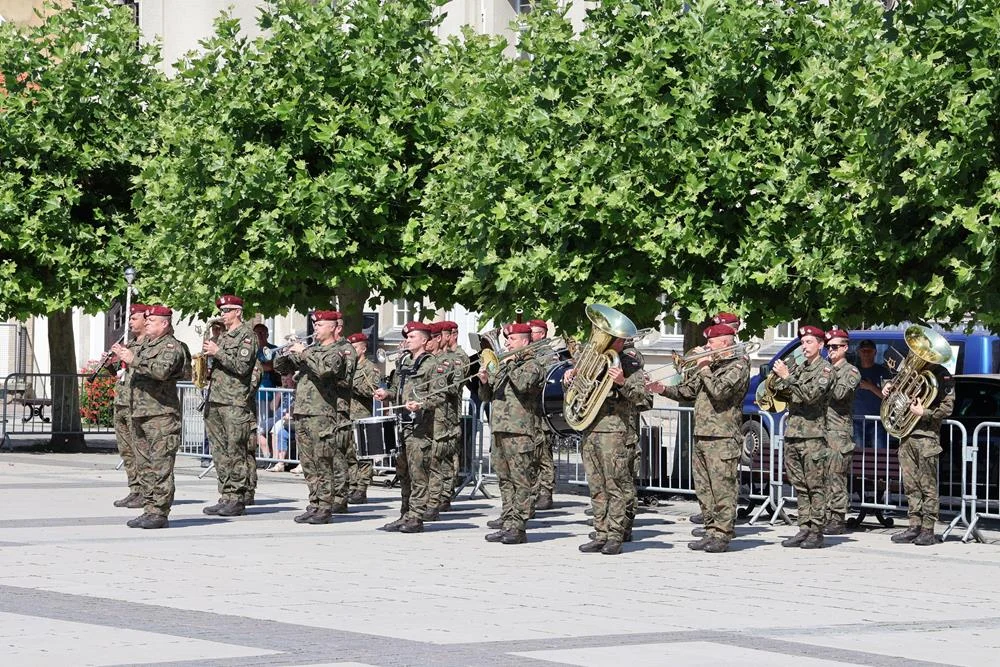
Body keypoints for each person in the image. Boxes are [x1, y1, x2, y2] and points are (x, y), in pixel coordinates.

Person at [646, 323, 750, 553]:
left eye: (711, 342)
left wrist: (704, 367)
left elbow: (720, 391)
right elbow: (688, 392)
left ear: (725, 341)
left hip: (722, 436)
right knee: (704, 488)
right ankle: (710, 529)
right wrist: (661, 389)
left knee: (723, 488)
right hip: (702, 433)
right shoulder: (712, 364)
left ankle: (723, 534)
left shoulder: (738, 365)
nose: (706, 346)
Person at [274, 310, 356, 524]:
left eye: (320, 325)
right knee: (308, 462)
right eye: (315, 325)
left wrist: (303, 353)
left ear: (333, 327)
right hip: (303, 411)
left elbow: (325, 370)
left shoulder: (337, 351)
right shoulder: (312, 349)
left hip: (323, 413)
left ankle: (326, 506)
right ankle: (315, 503)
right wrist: (285, 353)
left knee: (323, 461)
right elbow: (280, 368)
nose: (316, 328)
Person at [112, 305, 190, 529]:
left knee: (160, 464)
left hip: (161, 414)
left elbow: (161, 371)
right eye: (145, 320)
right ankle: (148, 507)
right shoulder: (145, 345)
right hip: (139, 412)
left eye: (151, 321)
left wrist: (133, 359)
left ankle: (159, 512)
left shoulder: (171, 346)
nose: (146, 323)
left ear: (164, 323)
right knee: (144, 463)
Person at [571, 339, 650, 555]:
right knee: (597, 487)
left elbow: (645, 399)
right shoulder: (594, 362)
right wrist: (572, 380)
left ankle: (616, 535)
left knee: (616, 486)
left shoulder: (629, 364)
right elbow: (578, 395)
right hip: (591, 430)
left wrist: (623, 382)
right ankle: (601, 533)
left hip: (615, 432)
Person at [479, 322, 546, 545]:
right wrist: (485, 381)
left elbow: (523, 385)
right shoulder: (505, 365)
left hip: (519, 431)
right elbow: (488, 397)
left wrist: (508, 364)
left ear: (525, 342)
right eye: (507, 340)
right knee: (504, 480)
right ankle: (507, 521)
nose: (507, 343)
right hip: (499, 428)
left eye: (512, 340)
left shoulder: (532, 365)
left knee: (521, 481)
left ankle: (519, 526)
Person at [374, 322, 443, 533]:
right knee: (402, 472)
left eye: (412, 337)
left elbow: (440, 396)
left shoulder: (432, 364)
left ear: (424, 340)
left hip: (420, 427)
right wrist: (386, 394)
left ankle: (416, 517)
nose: (407, 340)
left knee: (418, 473)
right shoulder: (404, 362)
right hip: (401, 424)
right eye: (407, 337)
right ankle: (405, 513)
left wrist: (422, 404)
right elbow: (397, 389)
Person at [772, 324, 832, 549]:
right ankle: (804, 527)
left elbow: (811, 396)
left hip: (813, 435)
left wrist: (787, 377)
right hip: (794, 434)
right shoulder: (800, 369)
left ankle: (817, 530)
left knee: (815, 485)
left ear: (821, 344)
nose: (804, 347)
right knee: (799, 485)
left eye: (809, 342)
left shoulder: (825, 371)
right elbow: (784, 393)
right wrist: (780, 380)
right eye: (802, 343)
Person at [884, 362, 955, 546]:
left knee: (927, 486)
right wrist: (890, 387)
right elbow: (898, 391)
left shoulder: (941, 374)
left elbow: (948, 408)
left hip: (927, 437)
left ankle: (928, 529)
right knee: (910, 485)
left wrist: (924, 412)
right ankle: (914, 525)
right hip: (906, 435)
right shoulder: (910, 370)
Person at [202, 295, 259, 516]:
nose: (223, 314)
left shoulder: (247, 336)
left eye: (227, 310)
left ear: (238, 312)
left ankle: (237, 496)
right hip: (216, 398)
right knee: (220, 451)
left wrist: (218, 352)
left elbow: (242, 367)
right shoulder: (224, 337)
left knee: (236, 450)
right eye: (222, 310)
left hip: (235, 401)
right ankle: (225, 494)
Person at [108, 303, 147, 509]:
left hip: (137, 404)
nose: (130, 322)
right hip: (121, 401)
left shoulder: (148, 346)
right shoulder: (129, 344)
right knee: (126, 451)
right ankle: (135, 488)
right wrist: (111, 362)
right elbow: (119, 375)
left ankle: (145, 490)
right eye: (130, 319)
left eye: (134, 318)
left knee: (139, 449)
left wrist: (130, 358)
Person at [823, 328, 861, 536]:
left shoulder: (851, 372)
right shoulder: (825, 369)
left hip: (838, 432)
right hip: (821, 430)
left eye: (835, 347)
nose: (831, 350)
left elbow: (839, 394)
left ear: (845, 348)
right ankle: (824, 515)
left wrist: (825, 376)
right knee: (822, 476)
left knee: (836, 475)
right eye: (828, 347)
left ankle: (837, 518)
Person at [425, 322, 458, 521]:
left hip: (442, 416)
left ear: (437, 339)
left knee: (438, 459)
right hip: (425, 418)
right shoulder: (424, 361)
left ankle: (437, 500)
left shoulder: (448, 362)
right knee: (427, 460)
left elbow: (453, 389)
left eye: (429, 339)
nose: (426, 343)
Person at [347, 332, 382, 504]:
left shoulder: (370, 368)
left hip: (361, 415)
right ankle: (352, 485)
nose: (352, 351)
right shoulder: (347, 366)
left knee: (363, 454)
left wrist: (350, 384)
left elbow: (371, 390)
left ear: (363, 348)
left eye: (355, 348)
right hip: (346, 415)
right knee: (349, 453)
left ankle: (361, 489)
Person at [528, 318, 557, 511]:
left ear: (542, 334)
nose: (529, 335)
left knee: (544, 455)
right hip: (530, 412)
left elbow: (547, 378)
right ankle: (534, 490)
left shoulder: (547, 354)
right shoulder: (528, 353)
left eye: (533, 332)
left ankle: (546, 492)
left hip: (543, 412)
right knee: (531, 455)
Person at [441, 321, 470, 506]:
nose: (440, 339)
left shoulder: (460, 357)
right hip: (435, 414)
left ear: (453, 335)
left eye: (443, 335)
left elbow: (455, 386)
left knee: (449, 455)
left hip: (450, 413)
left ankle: (446, 493)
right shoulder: (437, 356)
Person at [853, 339, 890, 448]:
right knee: (858, 457)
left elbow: (888, 397)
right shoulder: (852, 371)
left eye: (869, 351)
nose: (866, 353)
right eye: (863, 351)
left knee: (879, 456)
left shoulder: (883, 372)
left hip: (877, 421)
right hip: (856, 421)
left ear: (875, 352)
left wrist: (871, 387)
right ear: (859, 352)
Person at [262, 373, 295, 472]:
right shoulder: (281, 390)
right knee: (259, 428)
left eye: (287, 379)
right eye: (283, 379)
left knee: (275, 429)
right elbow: (273, 407)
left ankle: (276, 461)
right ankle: (267, 457)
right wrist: (279, 393)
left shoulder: (294, 391)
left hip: (286, 418)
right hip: (276, 417)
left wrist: (289, 414)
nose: (285, 381)